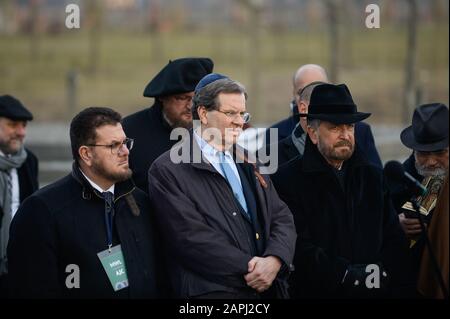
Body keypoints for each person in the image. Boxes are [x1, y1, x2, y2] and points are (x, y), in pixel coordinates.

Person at [148, 73, 296, 299]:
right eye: (230, 113)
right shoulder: (168, 169)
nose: (240, 121)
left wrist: (275, 259)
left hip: (266, 292)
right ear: (203, 113)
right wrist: (253, 269)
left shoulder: (250, 160)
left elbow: (280, 215)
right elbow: (190, 239)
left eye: (242, 113)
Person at [271, 83, 412, 298]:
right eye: (335, 128)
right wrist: (345, 274)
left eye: (350, 127)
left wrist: (379, 277)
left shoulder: (372, 176)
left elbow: (393, 238)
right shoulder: (287, 180)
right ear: (313, 133)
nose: (345, 134)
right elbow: (297, 247)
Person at [7, 107, 160, 298]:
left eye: (125, 142)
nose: (125, 151)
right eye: (114, 145)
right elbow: (30, 288)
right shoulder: (42, 210)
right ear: (86, 154)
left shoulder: (140, 202)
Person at [263, 64, 382, 169]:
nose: (312, 97)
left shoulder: (361, 131)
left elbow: (376, 182)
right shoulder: (274, 134)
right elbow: (264, 187)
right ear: (294, 95)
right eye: (301, 92)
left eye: (318, 90)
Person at [123, 57, 213, 192]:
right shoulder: (128, 131)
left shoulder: (216, 131)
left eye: (197, 98)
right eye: (182, 98)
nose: (191, 106)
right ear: (162, 97)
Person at [387, 103, 448, 295]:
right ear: (413, 150)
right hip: (411, 282)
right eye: (423, 154)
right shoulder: (397, 178)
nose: (431, 162)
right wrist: (395, 224)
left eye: (440, 153)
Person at [0, 95, 38, 297]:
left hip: (18, 262)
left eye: (24, 125)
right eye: (13, 124)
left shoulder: (28, 161)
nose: (21, 132)